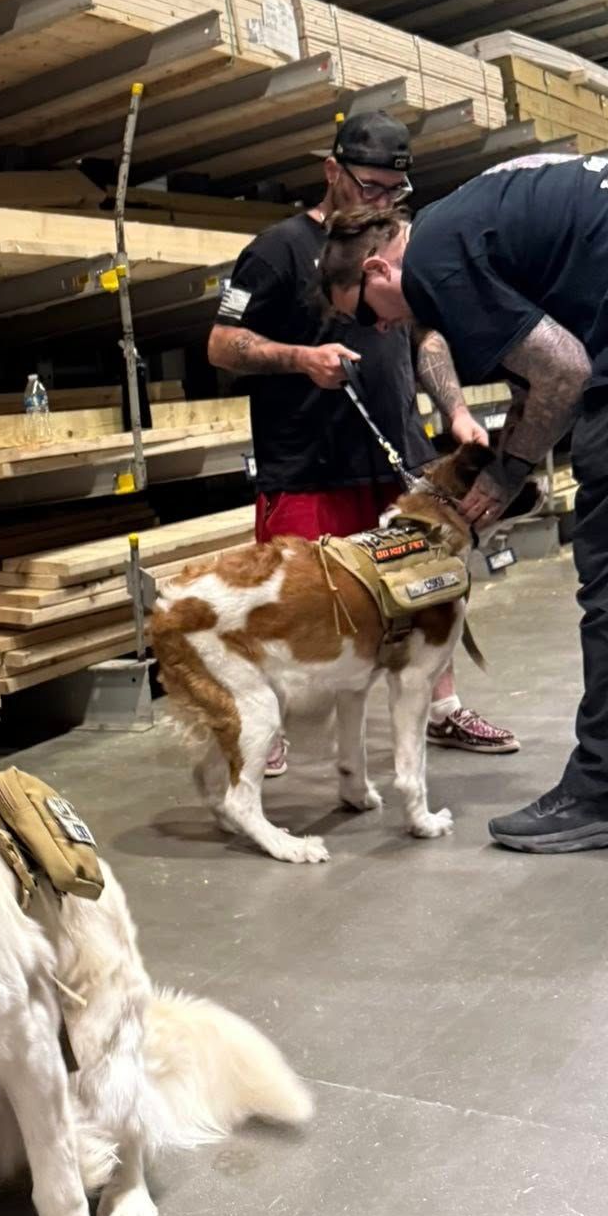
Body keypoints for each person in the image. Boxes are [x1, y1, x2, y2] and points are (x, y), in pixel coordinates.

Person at [318, 151, 608, 854]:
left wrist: (506, 474)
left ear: (378, 269)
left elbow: (566, 370)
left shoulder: (435, 261)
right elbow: (535, 364)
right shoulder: (461, 220)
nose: (381, 330)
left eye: (369, 315)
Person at [206, 111, 518, 775]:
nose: (380, 201)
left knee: (427, 585)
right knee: (291, 602)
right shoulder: (275, 250)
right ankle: (265, 724)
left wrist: (455, 409)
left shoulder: (401, 248)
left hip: (395, 458)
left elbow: (424, 336)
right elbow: (221, 345)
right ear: (332, 171)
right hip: (307, 464)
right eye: (369, 186)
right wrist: (300, 358)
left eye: (393, 191)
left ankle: (442, 708)